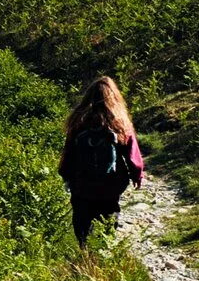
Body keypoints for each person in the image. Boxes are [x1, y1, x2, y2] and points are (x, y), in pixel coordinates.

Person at [58, 75, 145, 246]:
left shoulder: (78, 120)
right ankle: (104, 248)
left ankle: (85, 251)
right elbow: (132, 153)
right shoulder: (119, 121)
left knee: (82, 215)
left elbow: (69, 151)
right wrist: (137, 175)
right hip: (111, 182)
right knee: (109, 211)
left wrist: (66, 175)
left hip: (82, 181)